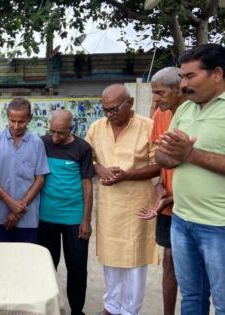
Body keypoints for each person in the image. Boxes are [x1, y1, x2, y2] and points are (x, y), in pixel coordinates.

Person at [155, 43, 225, 314]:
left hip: (218, 226)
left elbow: (185, 154)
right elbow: (161, 157)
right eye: (182, 77)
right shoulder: (185, 110)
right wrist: (171, 155)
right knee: (192, 299)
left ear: (217, 74)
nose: (182, 84)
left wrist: (190, 154)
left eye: (189, 76)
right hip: (182, 221)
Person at [85, 84, 159, 315]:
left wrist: (127, 175)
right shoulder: (97, 127)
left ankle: (129, 310)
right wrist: (99, 169)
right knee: (110, 256)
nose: (108, 114)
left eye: (114, 109)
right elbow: (87, 157)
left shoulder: (148, 127)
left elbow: (159, 165)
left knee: (134, 260)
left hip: (137, 203)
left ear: (130, 104)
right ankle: (112, 306)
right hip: (109, 204)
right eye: (105, 109)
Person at [139, 67, 185, 315]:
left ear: (179, 89)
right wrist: (160, 188)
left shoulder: (198, 115)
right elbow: (161, 161)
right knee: (169, 261)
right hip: (167, 206)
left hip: (194, 204)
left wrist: (178, 193)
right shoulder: (160, 115)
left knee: (197, 267)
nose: (155, 98)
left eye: (159, 92)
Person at [38, 109, 94, 315]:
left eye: (61, 133)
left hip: (74, 217)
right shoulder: (41, 143)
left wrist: (86, 219)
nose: (55, 137)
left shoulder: (83, 148)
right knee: (46, 267)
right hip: (46, 217)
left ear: (72, 128)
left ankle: (77, 311)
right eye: (52, 131)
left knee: (77, 268)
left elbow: (87, 184)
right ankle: (45, 308)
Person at [0, 97, 49, 243]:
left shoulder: (37, 143)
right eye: (12, 121)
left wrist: (18, 209)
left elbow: (40, 179)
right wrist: (10, 202)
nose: (16, 126)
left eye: (21, 122)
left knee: (25, 261)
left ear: (30, 118)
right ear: (8, 118)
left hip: (28, 217)